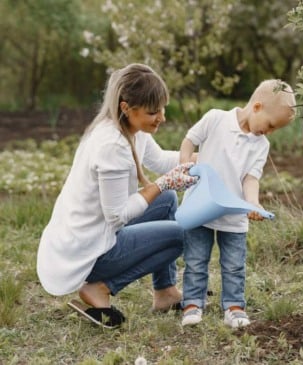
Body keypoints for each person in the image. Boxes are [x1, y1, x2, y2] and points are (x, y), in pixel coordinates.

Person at [37, 63, 198, 328]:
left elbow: (159, 160)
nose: (162, 117)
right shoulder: (112, 146)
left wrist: (210, 158)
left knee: (167, 200)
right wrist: (162, 184)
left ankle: (165, 292)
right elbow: (116, 215)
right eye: (153, 112)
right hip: (85, 252)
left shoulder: (130, 128)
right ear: (126, 107)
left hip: (91, 235)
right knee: (181, 234)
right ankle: (101, 287)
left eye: (163, 108)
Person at [178, 79, 296, 327]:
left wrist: (253, 203)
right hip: (200, 208)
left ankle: (233, 306)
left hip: (233, 216)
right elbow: (190, 140)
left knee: (233, 265)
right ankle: (192, 304)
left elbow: (251, 178)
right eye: (271, 125)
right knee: (196, 260)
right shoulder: (216, 119)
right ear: (257, 107)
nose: (270, 132)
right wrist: (185, 165)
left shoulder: (261, 145)